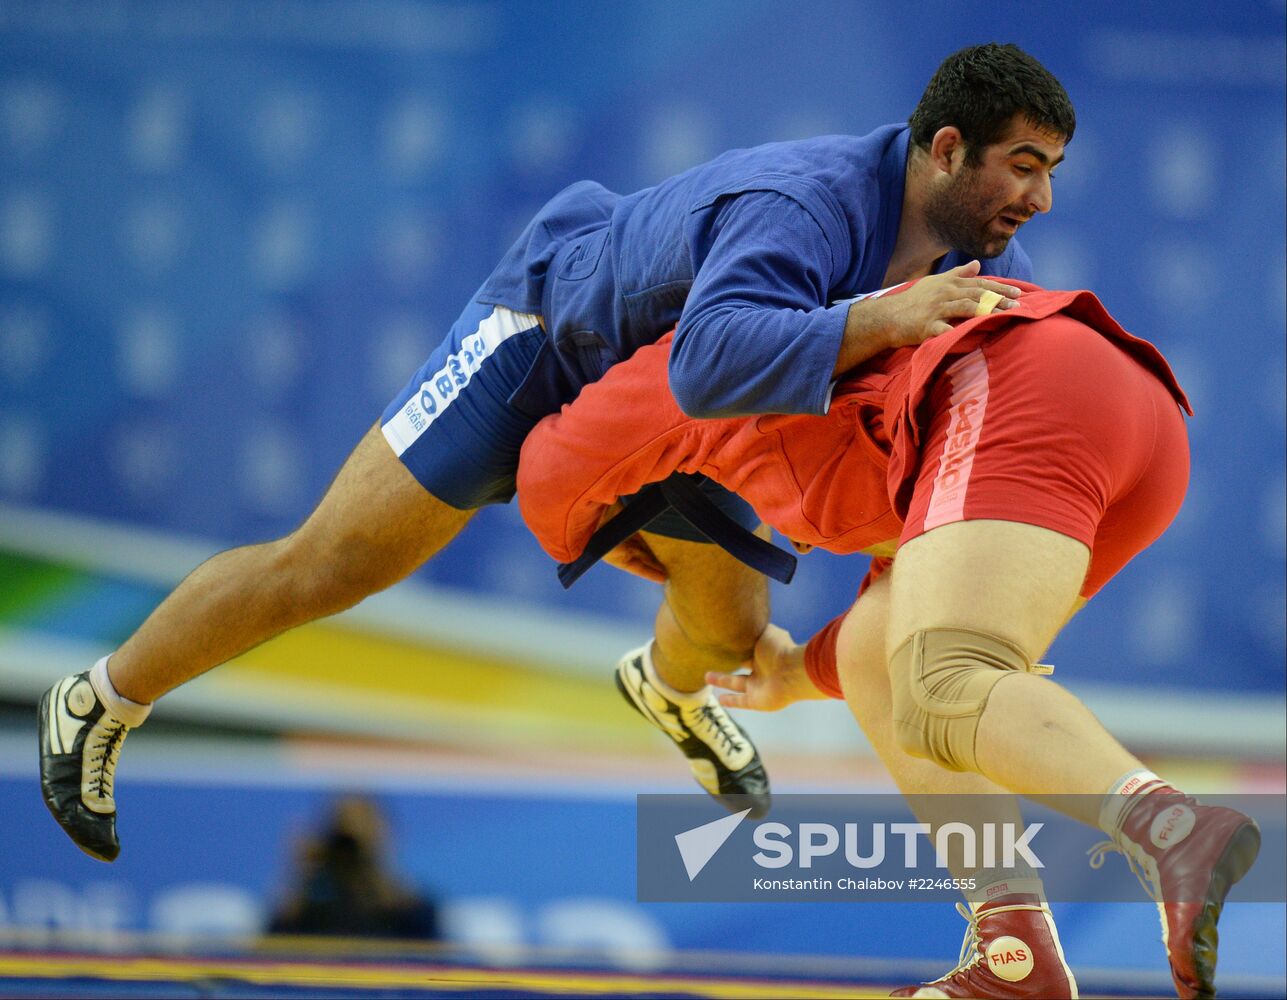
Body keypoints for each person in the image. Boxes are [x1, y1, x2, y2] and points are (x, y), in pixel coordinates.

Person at [38, 43, 1074, 863]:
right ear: (946, 148)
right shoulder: (804, 203)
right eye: (1023, 167)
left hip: (685, 422)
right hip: (545, 346)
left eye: (1053, 172)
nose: (1040, 197)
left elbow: (953, 442)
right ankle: (99, 697)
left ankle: (666, 689)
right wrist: (882, 319)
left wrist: (988, 607)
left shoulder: (984, 252)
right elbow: (710, 361)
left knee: (731, 638)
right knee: (331, 564)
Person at [513, 279, 1258, 999]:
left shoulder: (673, 370)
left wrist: (606, 544)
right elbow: (877, 643)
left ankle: (1169, 828)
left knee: (946, 683)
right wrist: (793, 671)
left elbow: (548, 473)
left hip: (1025, 388)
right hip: (1129, 423)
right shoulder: (801, 353)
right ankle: (1013, 952)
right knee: (911, 678)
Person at [266, 795, 441, 940]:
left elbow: (434, 964)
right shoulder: (307, 905)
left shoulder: (413, 911)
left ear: (384, 837)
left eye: (364, 830)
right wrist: (299, 874)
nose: (353, 851)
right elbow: (272, 956)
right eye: (346, 838)